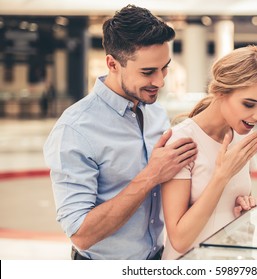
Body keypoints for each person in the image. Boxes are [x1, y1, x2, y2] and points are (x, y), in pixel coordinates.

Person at [43, 4, 197, 260]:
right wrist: (150, 176)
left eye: (165, 68)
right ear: (112, 64)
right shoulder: (75, 129)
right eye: (148, 72)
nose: (160, 81)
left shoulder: (155, 111)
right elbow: (81, 234)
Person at [161, 45, 257, 259]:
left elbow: (228, 212)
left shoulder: (243, 136)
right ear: (219, 92)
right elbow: (179, 240)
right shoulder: (181, 140)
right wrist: (222, 175)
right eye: (249, 104)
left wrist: (245, 211)